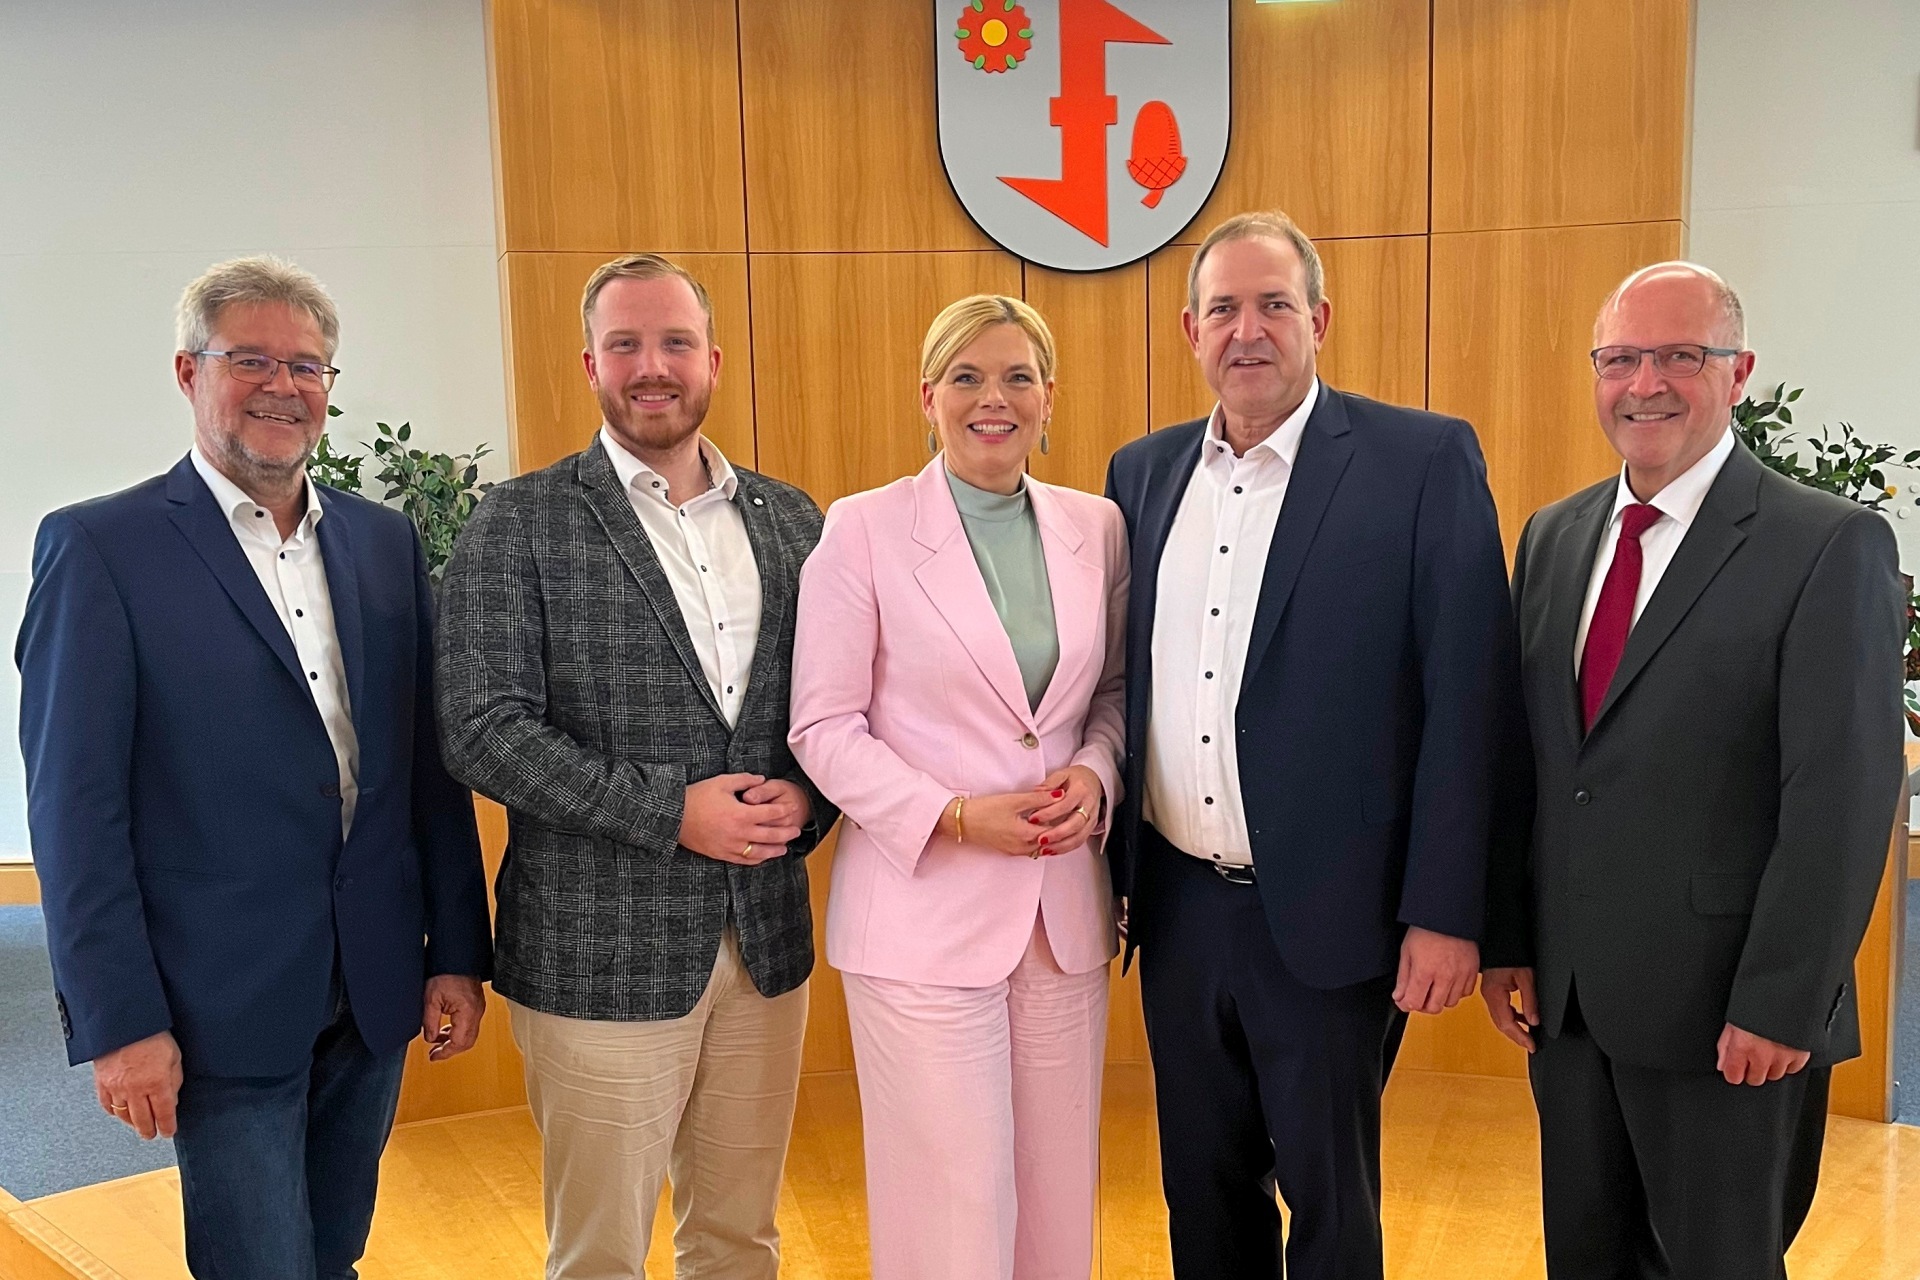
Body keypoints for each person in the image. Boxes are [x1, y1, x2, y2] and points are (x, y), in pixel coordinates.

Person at [14, 256, 493, 1279]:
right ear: (189, 373)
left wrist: (454, 946)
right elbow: (73, 811)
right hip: (214, 995)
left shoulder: (383, 542)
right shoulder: (102, 548)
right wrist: (119, 1019)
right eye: (253, 360)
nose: (284, 386)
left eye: (308, 366)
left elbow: (426, 769)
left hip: (370, 981)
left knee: (334, 1254)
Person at [1103, 211, 1518, 1279]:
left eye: (1274, 303)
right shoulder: (1140, 476)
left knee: (1332, 1200)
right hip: (1180, 904)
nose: (1249, 329)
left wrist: (1446, 910)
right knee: (1201, 1186)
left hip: (1340, 915)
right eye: (1225, 307)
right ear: (1189, 328)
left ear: (1319, 320)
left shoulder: (1421, 458)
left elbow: (1468, 701)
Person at [1480, 262, 1904, 1280]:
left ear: (1738, 371)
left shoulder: (1827, 544)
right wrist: (1509, 939)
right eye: (1620, 358)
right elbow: (1529, 766)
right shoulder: (1554, 535)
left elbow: (1840, 795)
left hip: (1729, 1014)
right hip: (1573, 1006)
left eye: (1681, 354)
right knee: (1586, 1257)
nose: (1647, 382)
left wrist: (1780, 998)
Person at [435, 253, 835, 1280]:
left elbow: (837, 711)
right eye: (626, 344)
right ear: (589, 363)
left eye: (674, 343)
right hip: (595, 953)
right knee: (601, 1254)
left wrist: (810, 792)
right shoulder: (516, 522)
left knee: (741, 1238)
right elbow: (481, 727)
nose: (651, 366)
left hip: (766, 941)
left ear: (712, 359)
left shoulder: (797, 520)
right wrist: (672, 812)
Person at [787, 294, 1128, 1280]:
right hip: (923, 915)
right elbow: (822, 724)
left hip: (1059, 919)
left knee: (1059, 1200)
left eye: (1018, 375)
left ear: (1049, 397)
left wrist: (1095, 774)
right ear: (927, 396)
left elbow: (1107, 697)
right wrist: (952, 813)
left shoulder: (1096, 527)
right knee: (954, 1203)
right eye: (968, 377)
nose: (995, 397)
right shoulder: (863, 530)